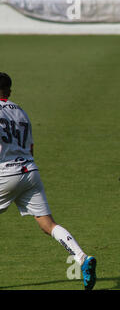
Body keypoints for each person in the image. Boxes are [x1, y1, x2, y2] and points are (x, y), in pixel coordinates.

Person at [0, 72, 97, 290]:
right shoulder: (21, 112)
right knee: (48, 224)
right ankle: (82, 258)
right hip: (29, 172)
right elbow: (31, 147)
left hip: (5, 174)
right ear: (10, 91)